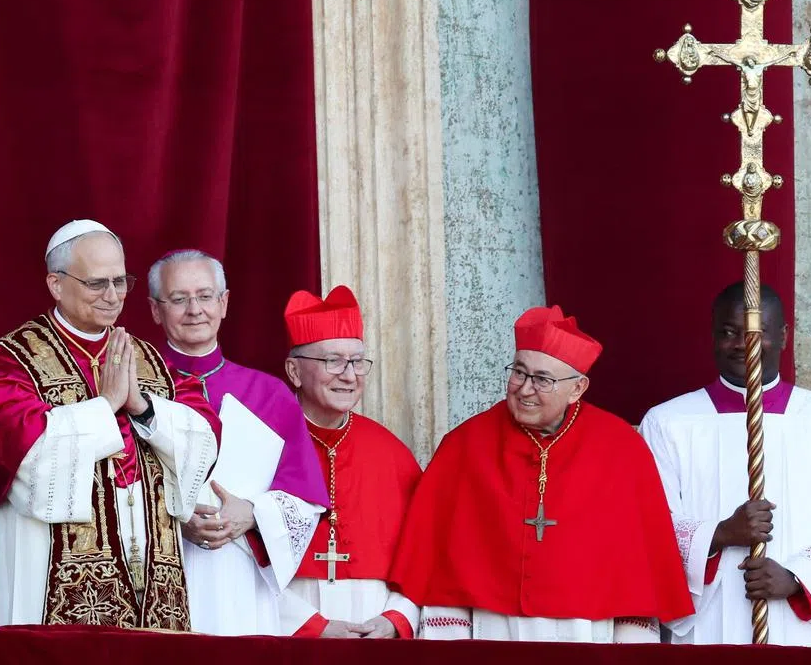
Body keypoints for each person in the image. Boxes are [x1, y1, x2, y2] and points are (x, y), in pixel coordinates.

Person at [0, 220, 220, 629]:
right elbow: (15, 449)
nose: (112, 297)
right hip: (54, 568)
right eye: (96, 284)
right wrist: (104, 406)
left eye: (121, 282)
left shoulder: (150, 360)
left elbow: (206, 436)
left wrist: (142, 406)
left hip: (153, 573)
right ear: (56, 283)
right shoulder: (16, 357)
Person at [389, 305, 692, 642]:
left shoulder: (622, 448)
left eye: (543, 379)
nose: (525, 388)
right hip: (491, 637)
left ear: (577, 389)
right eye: (519, 372)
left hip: (588, 638)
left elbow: (638, 575)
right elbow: (436, 568)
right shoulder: (464, 445)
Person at [638, 281, 811, 646]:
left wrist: (798, 579)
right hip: (707, 628)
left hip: (799, 628)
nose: (743, 344)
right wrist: (720, 533)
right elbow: (647, 528)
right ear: (712, 337)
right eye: (729, 332)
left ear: (784, 336)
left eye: (758, 332)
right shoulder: (668, 424)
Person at [147, 249, 329, 635]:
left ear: (224, 302)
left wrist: (252, 513)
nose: (194, 309)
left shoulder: (270, 395)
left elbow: (306, 498)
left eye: (205, 296)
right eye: (178, 299)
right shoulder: (138, 389)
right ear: (155, 310)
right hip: (157, 570)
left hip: (239, 578)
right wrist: (176, 519)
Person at [278, 286, 422, 639]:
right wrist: (312, 627)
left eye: (357, 361)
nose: (349, 374)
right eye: (333, 361)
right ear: (294, 371)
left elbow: (425, 554)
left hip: (376, 637)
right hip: (287, 631)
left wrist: (396, 619)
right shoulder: (266, 442)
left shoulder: (392, 452)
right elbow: (239, 563)